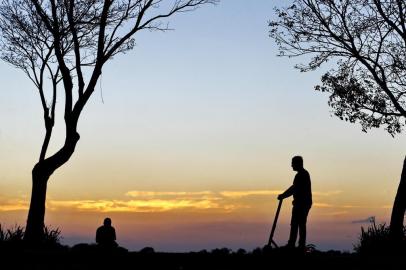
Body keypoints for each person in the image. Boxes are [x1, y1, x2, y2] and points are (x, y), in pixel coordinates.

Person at [278, 156, 312, 250]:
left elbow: (294, 188)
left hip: (302, 204)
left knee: (298, 223)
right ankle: (295, 244)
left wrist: (283, 195)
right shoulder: (302, 174)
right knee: (297, 223)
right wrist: (284, 195)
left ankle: (295, 245)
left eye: (293, 163)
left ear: (298, 163)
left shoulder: (302, 175)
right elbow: (294, 188)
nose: (291, 165)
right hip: (301, 203)